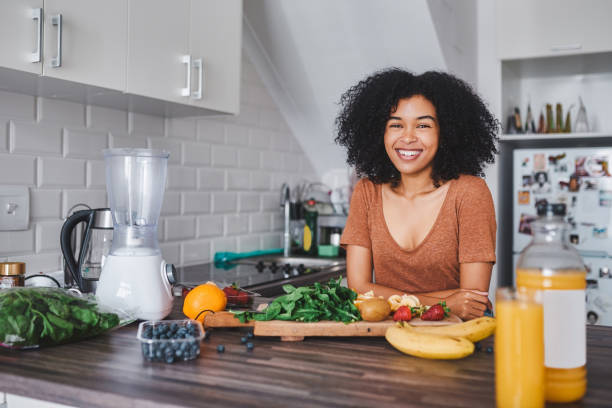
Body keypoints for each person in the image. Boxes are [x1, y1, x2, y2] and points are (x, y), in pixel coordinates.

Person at [335, 69, 498, 320]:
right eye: (396, 125)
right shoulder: (367, 192)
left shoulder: (469, 193)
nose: (408, 137)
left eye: (423, 125)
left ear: (445, 133)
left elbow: (472, 302)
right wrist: (446, 301)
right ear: (380, 133)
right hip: (390, 335)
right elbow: (358, 288)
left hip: (457, 336)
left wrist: (388, 296)